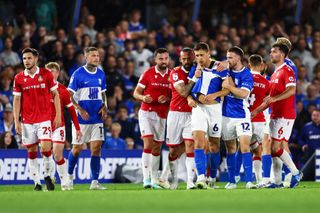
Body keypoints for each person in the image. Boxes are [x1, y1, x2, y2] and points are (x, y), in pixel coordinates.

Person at [13, 47, 61, 191]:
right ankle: (37, 183)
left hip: (44, 119)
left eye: (29, 58)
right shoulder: (19, 78)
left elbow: (56, 95)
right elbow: (16, 100)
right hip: (27, 121)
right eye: (24, 58)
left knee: (46, 148)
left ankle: (47, 175)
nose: (26, 61)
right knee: (31, 152)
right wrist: (17, 121)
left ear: (36, 59)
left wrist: (58, 115)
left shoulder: (46, 74)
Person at [256, 43, 303, 188]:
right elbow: (269, 98)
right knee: (271, 148)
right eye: (271, 51)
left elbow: (291, 90)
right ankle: (276, 181)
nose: (271, 54)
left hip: (285, 115)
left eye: (274, 52)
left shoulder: (287, 70)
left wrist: (274, 99)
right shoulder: (275, 72)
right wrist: (256, 111)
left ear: (282, 54)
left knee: (276, 147)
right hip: (275, 114)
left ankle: (295, 173)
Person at [187, 42, 229, 189]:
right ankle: (200, 177)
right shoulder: (194, 69)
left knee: (214, 146)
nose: (199, 58)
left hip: (215, 109)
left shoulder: (220, 67)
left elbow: (227, 89)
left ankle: (211, 178)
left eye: (201, 55)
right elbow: (187, 91)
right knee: (198, 142)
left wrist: (214, 95)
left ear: (208, 54)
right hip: (199, 109)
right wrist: (190, 99)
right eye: (197, 55)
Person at [67, 47, 108, 190]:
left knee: (96, 148)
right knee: (77, 149)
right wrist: (79, 108)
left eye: (98, 55)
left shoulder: (101, 74)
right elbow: (69, 95)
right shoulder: (78, 74)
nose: (96, 58)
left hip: (96, 117)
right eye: (93, 56)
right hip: (81, 118)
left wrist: (104, 106)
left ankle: (95, 182)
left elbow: (103, 93)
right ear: (86, 57)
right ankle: (69, 177)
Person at [158, 47, 197, 190]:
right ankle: (172, 180)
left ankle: (190, 182)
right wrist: (194, 78)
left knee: (190, 146)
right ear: (180, 59)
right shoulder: (175, 72)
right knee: (174, 151)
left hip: (192, 114)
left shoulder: (200, 71)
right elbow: (182, 92)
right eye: (184, 59)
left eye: (189, 58)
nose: (187, 61)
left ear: (194, 57)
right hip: (175, 114)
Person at [133, 48, 171, 189]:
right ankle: (146, 179)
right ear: (155, 60)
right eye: (161, 59)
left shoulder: (172, 75)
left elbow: (176, 96)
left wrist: (167, 98)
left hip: (162, 115)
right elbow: (136, 93)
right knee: (148, 144)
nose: (163, 61)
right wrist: (144, 97)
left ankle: (155, 179)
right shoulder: (147, 73)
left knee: (157, 148)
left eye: (166, 58)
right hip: (146, 112)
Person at [221, 46, 256, 189]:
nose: (228, 60)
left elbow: (243, 94)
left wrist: (229, 87)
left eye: (230, 57)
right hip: (226, 115)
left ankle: (249, 181)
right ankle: (232, 181)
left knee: (245, 147)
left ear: (238, 58)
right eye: (227, 57)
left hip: (242, 115)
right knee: (230, 148)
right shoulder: (225, 70)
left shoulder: (247, 74)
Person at [45, 62, 82, 191]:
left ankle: (65, 182)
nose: (50, 73)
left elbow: (71, 110)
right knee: (46, 154)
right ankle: (50, 177)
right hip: (43, 125)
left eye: (53, 71)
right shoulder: (40, 88)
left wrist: (77, 128)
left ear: (57, 73)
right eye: (48, 71)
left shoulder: (62, 90)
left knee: (57, 154)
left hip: (58, 126)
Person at [247, 55, 270, 185]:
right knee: (266, 148)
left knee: (247, 149)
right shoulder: (266, 82)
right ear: (261, 65)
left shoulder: (244, 78)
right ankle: (270, 178)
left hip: (246, 119)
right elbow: (268, 102)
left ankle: (256, 179)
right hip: (260, 119)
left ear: (249, 65)